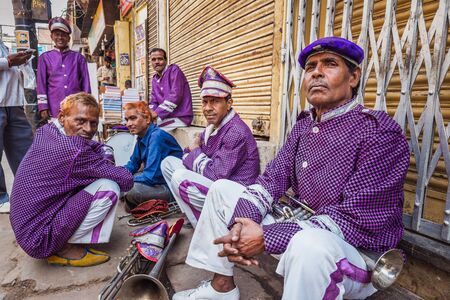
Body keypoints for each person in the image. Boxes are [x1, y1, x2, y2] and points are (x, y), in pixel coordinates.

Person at [173, 37, 410, 300]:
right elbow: (272, 178)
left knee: (309, 246)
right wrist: (243, 224)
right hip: (302, 227)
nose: (317, 72)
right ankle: (221, 289)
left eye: (330, 64)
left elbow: (355, 219)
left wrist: (266, 236)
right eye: (310, 67)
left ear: (353, 77)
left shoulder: (379, 132)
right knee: (220, 190)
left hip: (354, 254)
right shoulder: (303, 126)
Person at [10, 92, 133, 267]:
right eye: (80, 121)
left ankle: (61, 240)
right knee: (110, 187)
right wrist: (106, 160)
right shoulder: (75, 151)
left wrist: (101, 157)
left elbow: (94, 145)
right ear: (62, 118)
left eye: (93, 123)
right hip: (40, 241)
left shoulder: (47, 132)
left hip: (26, 231)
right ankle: (64, 247)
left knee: (91, 177)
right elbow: (126, 180)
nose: (89, 129)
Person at [161, 66, 260, 228]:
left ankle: (204, 226)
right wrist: (193, 153)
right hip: (216, 182)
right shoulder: (213, 126)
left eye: (215, 101)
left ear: (229, 104)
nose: (207, 108)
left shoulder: (236, 132)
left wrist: (194, 152)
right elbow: (189, 152)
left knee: (180, 178)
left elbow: (215, 175)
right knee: (168, 163)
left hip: (235, 195)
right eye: (205, 102)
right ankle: (197, 219)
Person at [122, 101, 183, 211]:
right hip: (157, 182)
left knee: (132, 191)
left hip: (169, 187)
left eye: (133, 118)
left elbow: (151, 176)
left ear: (147, 119)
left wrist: (126, 180)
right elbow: (132, 164)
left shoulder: (156, 136)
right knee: (123, 184)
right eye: (127, 120)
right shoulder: (142, 137)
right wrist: (116, 175)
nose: (128, 124)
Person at [0, 40, 34, 213]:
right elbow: (6, 64)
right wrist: (9, 61)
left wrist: (21, 61)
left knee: (25, 153)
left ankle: (27, 194)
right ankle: (1, 200)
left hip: (14, 104)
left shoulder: (3, 45)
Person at [37, 17, 91, 121]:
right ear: (51, 37)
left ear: (69, 38)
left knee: (75, 135)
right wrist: (43, 106)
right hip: (54, 107)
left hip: (76, 107)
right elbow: (41, 84)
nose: (60, 37)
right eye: (57, 34)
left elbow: (86, 84)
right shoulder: (44, 58)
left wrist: (87, 106)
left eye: (63, 35)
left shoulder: (79, 58)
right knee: (56, 136)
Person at [149, 48, 193, 131]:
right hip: (166, 117)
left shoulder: (174, 70)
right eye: (153, 60)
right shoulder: (155, 79)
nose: (157, 62)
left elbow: (176, 95)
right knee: (144, 125)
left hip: (180, 117)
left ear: (166, 61)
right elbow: (154, 101)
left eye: (160, 59)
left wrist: (157, 113)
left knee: (153, 130)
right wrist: (149, 113)